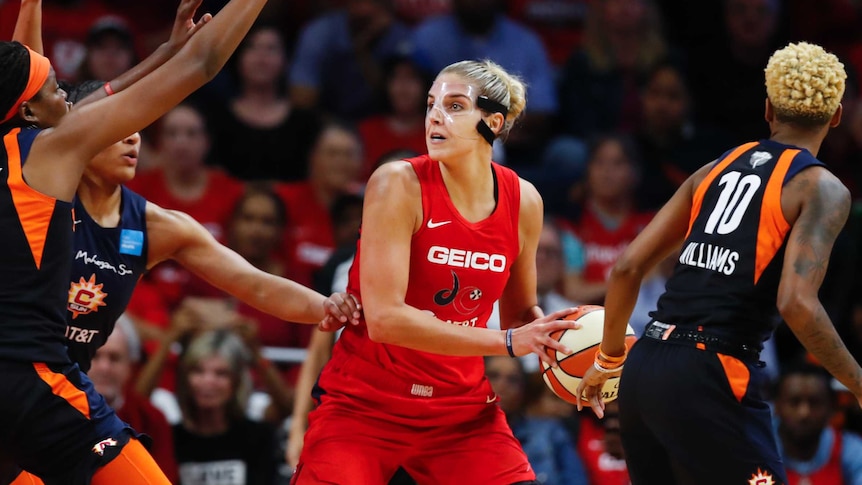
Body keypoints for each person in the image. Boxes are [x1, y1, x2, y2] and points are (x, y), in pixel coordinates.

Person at [0, 0, 316, 482]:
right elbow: (203, 63)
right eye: (56, 89)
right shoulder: (51, 154)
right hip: (32, 386)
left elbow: (29, 68)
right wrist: (180, 54)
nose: (67, 95)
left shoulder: (27, 152)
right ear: (29, 111)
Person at [577, 41, 862, 485]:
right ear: (838, 115)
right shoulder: (822, 187)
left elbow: (627, 267)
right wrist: (858, 381)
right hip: (713, 370)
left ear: (767, 108)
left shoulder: (712, 168)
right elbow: (797, 303)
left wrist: (609, 358)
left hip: (646, 365)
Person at [291, 59, 579, 485]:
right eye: (431, 105)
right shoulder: (396, 183)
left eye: (456, 106)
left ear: (493, 122)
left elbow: (520, 315)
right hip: (365, 407)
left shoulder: (525, 201)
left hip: (462, 413)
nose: (436, 117)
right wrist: (511, 341)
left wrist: (572, 357)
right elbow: (386, 320)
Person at [172, 329, 280, 485]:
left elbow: (286, 406)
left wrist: (256, 352)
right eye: (198, 371)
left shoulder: (259, 437)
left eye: (221, 373)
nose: (208, 381)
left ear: (236, 381)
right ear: (185, 378)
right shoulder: (170, 438)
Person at [88, 314, 180, 483]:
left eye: (114, 358)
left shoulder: (151, 418)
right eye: (95, 356)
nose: (104, 367)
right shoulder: (61, 413)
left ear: (130, 365)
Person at [774, 361, 862, 485]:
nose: (804, 413)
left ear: (832, 408)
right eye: (794, 402)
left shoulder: (852, 451)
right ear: (777, 406)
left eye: (814, 403)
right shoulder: (758, 449)